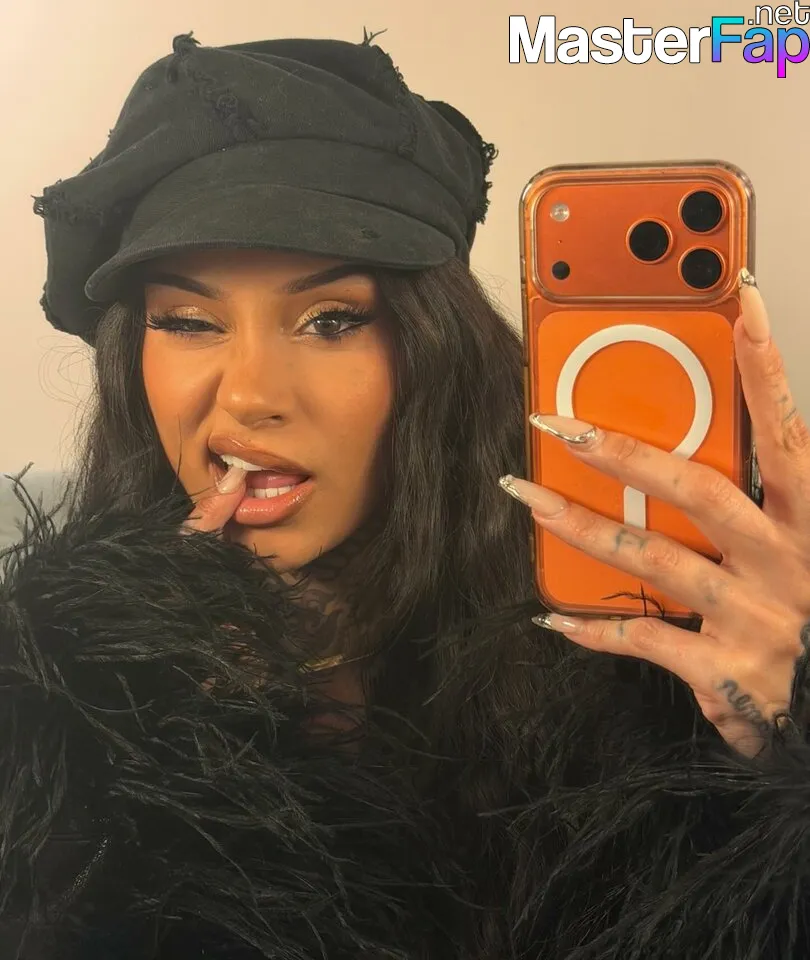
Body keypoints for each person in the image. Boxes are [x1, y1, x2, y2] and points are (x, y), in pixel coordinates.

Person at [3, 31, 810, 960]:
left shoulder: (625, 676)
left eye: (331, 320)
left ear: (435, 352)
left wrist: (774, 763)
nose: (251, 395)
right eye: (188, 321)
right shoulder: (47, 715)